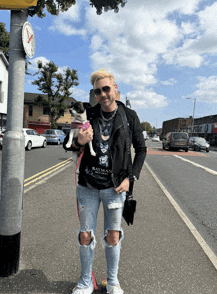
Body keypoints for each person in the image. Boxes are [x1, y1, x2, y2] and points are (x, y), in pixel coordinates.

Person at [63, 68, 146, 294]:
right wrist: (79, 141)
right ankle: (85, 282)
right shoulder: (87, 114)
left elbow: (141, 150)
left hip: (116, 187)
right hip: (88, 186)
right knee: (85, 234)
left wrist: (131, 178)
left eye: (106, 89)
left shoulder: (129, 116)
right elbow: (67, 144)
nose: (103, 94)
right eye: (97, 91)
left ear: (115, 88)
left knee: (113, 234)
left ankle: (112, 281)